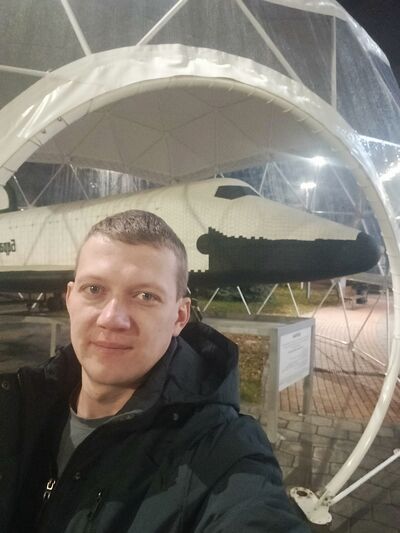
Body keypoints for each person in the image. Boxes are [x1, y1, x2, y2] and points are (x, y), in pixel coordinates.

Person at [1, 209, 310, 532]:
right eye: (94, 289)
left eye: (145, 296)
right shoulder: (17, 406)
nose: (112, 318)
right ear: (69, 299)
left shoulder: (222, 452)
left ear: (180, 317)